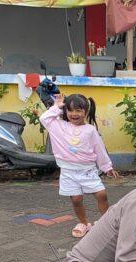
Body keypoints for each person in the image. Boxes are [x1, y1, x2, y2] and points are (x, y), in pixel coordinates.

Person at [39, 94, 119, 238]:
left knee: (102, 194)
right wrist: (57, 106)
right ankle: (83, 223)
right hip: (68, 172)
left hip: (88, 171)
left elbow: (99, 149)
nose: (74, 114)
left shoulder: (90, 130)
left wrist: (107, 167)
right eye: (70, 110)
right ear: (65, 111)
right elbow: (44, 118)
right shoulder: (58, 126)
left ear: (86, 112)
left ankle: (107, 224)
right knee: (76, 199)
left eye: (78, 110)